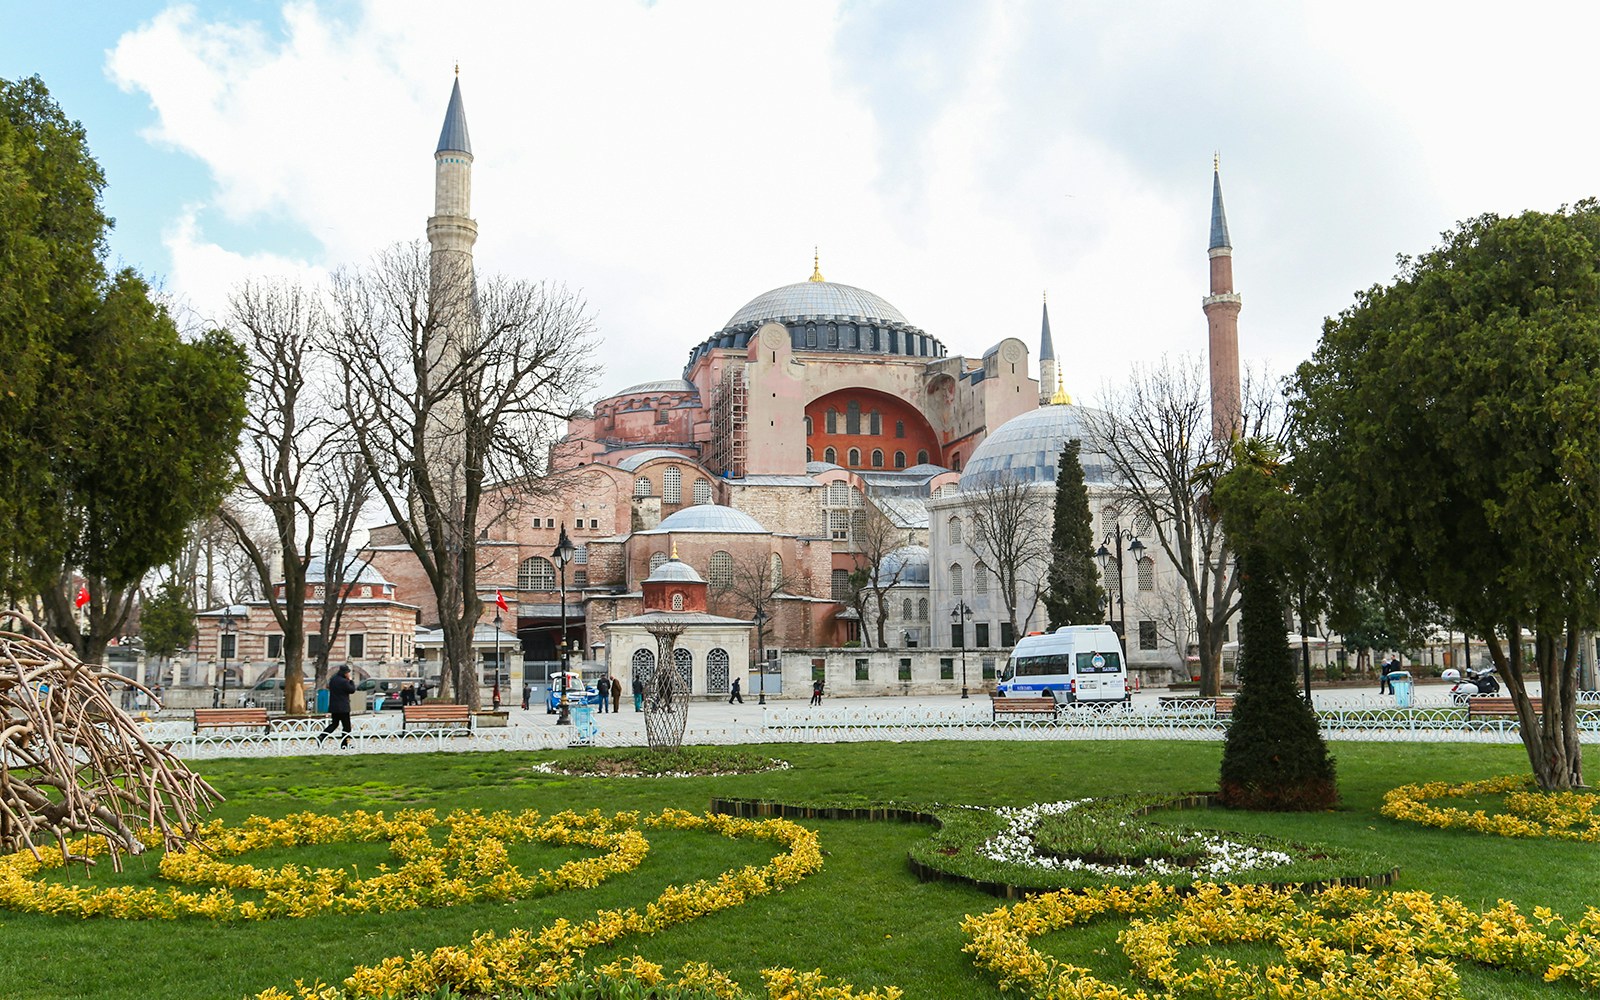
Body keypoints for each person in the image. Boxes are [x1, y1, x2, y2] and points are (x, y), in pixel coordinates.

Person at [317, 665, 357, 749]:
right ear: (345, 673)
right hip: (343, 707)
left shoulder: (333, 680)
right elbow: (352, 690)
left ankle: (322, 736)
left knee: (334, 724)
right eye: (347, 673)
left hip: (334, 707)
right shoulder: (344, 681)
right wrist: (351, 681)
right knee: (346, 727)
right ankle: (344, 744)